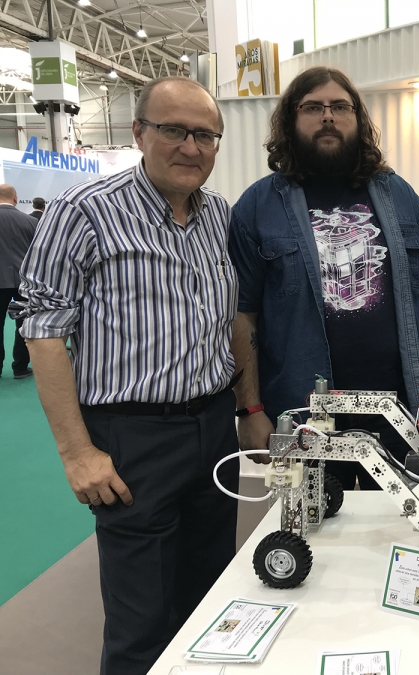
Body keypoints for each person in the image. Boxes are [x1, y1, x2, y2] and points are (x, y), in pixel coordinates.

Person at [17, 76, 238, 675]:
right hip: (134, 439)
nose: (192, 147)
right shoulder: (84, 211)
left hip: (215, 429)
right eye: (174, 130)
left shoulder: (219, 216)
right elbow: (42, 331)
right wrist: (76, 451)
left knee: (216, 606)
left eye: (206, 135)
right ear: (139, 133)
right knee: (142, 626)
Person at [229, 67, 419, 491]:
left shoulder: (399, 194)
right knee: (309, 536)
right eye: (313, 107)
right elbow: (243, 315)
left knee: (397, 532)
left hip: (399, 414)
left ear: (358, 119)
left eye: (339, 107)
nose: (327, 116)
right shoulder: (257, 206)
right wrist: (250, 410)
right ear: (291, 121)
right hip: (301, 417)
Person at [0, 184, 37, 379]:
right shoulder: (30, 222)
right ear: (15, 198)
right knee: (24, 324)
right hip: (24, 282)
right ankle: (20, 367)